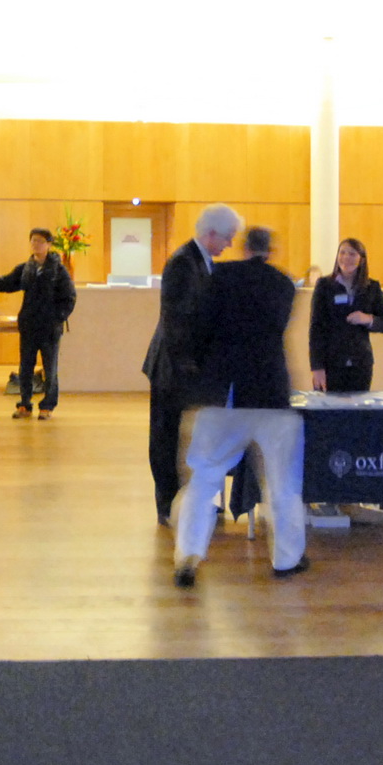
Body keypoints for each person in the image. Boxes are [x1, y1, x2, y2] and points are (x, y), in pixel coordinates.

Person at [170, 227, 307, 585]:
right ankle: (286, 560)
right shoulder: (284, 284)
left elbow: (198, 329)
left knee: (203, 478)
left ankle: (188, 556)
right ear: (269, 250)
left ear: (244, 248)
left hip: (224, 392)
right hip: (271, 392)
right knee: (283, 483)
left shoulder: (219, 276)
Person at [144, 204, 238, 525]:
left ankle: (193, 500)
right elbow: (176, 321)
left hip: (186, 366)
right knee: (166, 437)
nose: (229, 244)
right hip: (173, 366)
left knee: (190, 438)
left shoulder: (203, 261)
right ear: (211, 233)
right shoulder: (183, 262)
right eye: (226, 237)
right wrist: (189, 366)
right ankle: (167, 505)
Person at [0, 227, 78, 420]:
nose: (36, 244)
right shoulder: (26, 268)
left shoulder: (59, 270)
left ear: (49, 244)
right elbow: (7, 283)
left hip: (50, 328)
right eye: (33, 241)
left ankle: (47, 406)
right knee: (25, 367)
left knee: (50, 368)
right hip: (29, 325)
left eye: (40, 241)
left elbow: (69, 298)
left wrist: (57, 317)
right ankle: (24, 404)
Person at [308, 237, 383, 394]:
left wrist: (368, 319)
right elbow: (316, 328)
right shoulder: (324, 285)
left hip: (361, 363)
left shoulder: (372, 287)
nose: (346, 257)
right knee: (328, 407)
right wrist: (317, 367)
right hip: (330, 362)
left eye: (352, 254)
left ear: (361, 259)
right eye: (342, 253)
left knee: (358, 407)